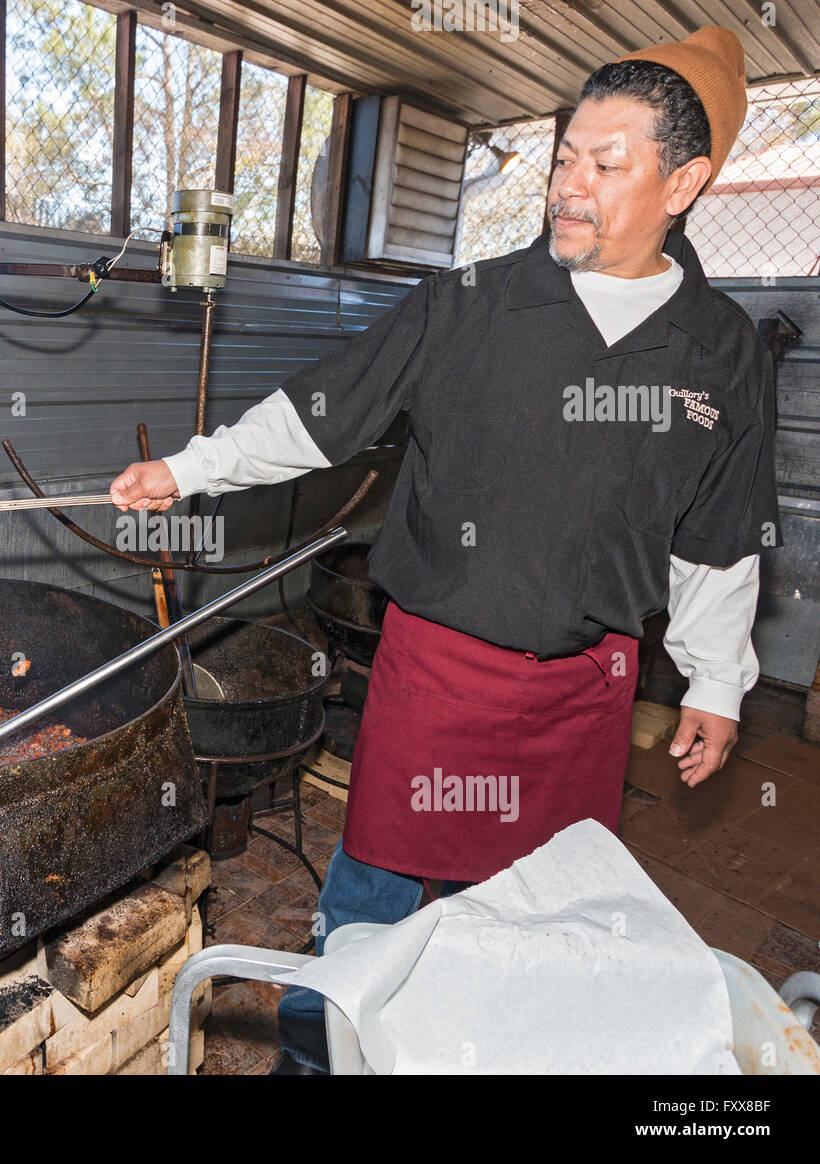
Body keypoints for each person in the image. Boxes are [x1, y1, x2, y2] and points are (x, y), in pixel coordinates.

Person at [109, 27, 780, 1073]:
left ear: (684, 182)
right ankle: (316, 1057)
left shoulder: (722, 350)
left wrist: (717, 686)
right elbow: (323, 413)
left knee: (530, 915)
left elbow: (719, 532)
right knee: (372, 895)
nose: (570, 184)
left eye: (608, 165)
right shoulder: (467, 306)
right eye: (564, 156)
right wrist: (189, 471)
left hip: (588, 692)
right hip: (440, 673)